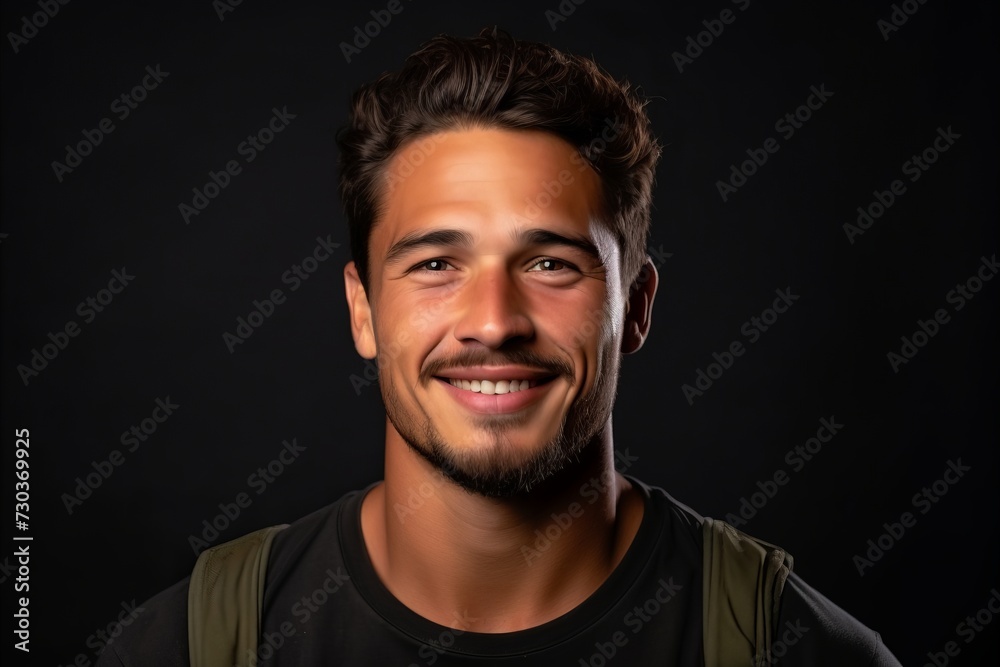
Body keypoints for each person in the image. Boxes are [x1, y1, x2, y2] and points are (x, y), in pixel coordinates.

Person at [97, 27, 902, 666]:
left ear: (637, 305)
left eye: (550, 262)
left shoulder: (795, 650)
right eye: (437, 263)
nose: (492, 320)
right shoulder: (185, 648)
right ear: (363, 310)